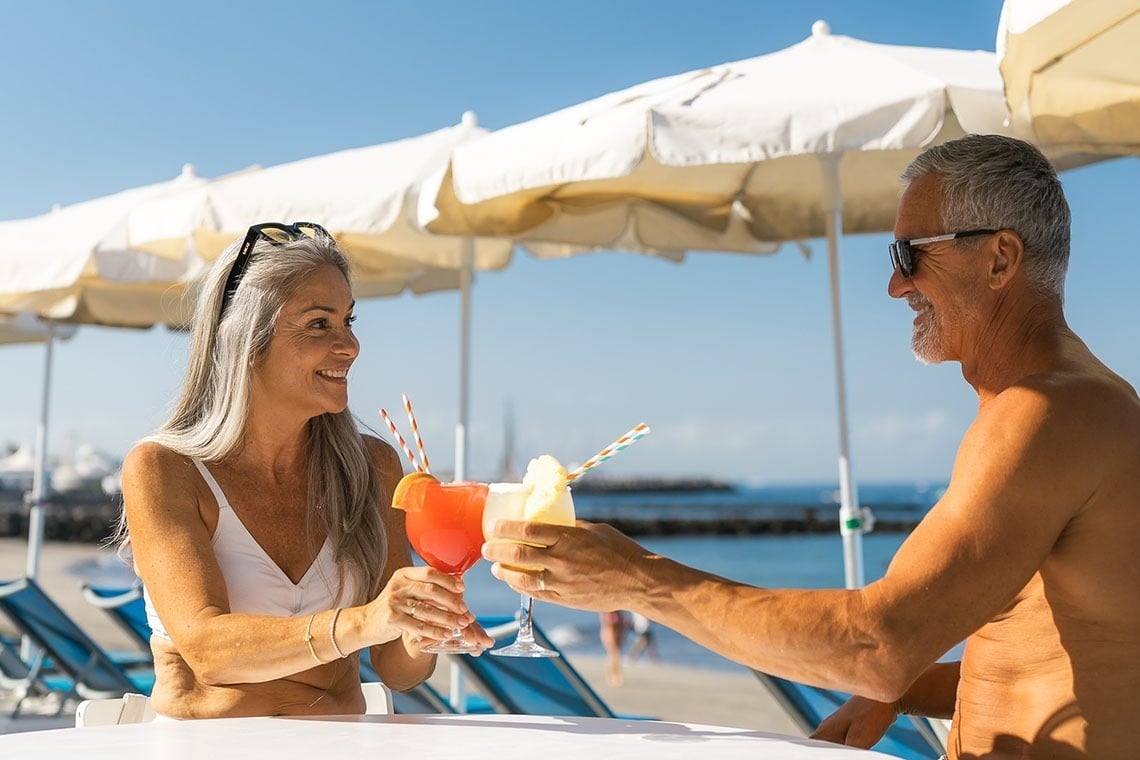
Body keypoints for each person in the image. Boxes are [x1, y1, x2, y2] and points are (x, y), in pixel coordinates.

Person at [483, 135, 1140, 759]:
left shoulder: (1046, 414)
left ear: (1000, 258)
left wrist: (638, 580)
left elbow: (878, 644)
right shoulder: (1058, 406)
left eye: (911, 255)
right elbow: (1044, 650)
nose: (895, 285)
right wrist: (905, 692)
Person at [116, 222, 492, 719]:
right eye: (319, 324)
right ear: (247, 341)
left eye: (348, 321)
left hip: (343, 744)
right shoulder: (165, 469)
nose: (350, 346)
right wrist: (368, 620)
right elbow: (208, 651)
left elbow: (398, 670)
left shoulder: (373, 467)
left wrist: (423, 622)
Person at [598, 610, 628, 685]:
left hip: (614, 628)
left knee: (614, 654)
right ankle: (614, 676)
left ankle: (614, 676)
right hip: (611, 628)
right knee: (614, 654)